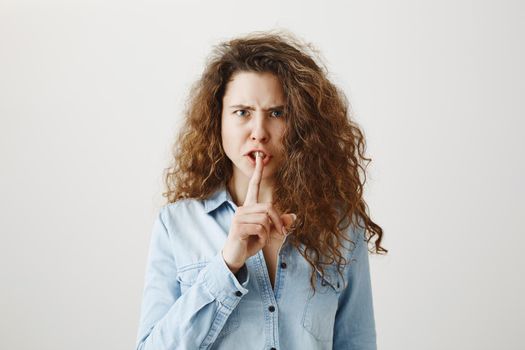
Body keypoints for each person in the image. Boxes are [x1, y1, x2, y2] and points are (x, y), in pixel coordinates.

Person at [135, 30, 387, 350]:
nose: (259, 132)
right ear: (218, 120)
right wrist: (227, 263)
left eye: (277, 113)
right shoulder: (177, 224)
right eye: (242, 112)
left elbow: (357, 342)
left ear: (301, 123)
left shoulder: (342, 227)